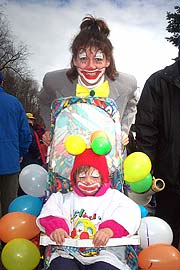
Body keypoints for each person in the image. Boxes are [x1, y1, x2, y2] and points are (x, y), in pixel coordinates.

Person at [39, 15, 137, 148]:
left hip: (109, 158)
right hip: (68, 159)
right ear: (74, 60)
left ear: (108, 61)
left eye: (98, 59)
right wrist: (50, 128)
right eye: (83, 58)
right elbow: (44, 101)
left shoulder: (127, 84)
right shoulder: (53, 82)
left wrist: (123, 130)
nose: (91, 66)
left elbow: (131, 104)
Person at [36, 148, 141, 270]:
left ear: (103, 178)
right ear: (74, 178)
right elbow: (50, 212)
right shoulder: (62, 198)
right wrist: (57, 228)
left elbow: (130, 213)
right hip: (68, 252)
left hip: (106, 254)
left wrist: (109, 229)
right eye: (82, 176)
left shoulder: (115, 198)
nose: (88, 181)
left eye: (95, 176)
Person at [135, 58, 180, 248]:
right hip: (170, 179)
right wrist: (147, 169)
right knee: (167, 239)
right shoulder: (159, 82)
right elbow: (146, 130)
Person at [0, 71, 32, 216]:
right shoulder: (14, 103)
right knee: (9, 204)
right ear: (2, 83)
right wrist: (21, 152)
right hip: (9, 161)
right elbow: (25, 133)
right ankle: (7, 238)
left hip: (11, 159)